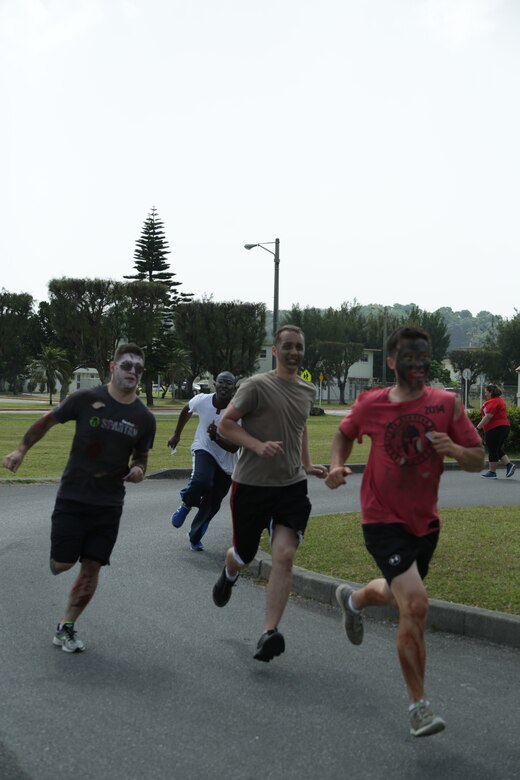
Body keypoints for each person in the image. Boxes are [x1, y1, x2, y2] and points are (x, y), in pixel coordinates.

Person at [325, 326, 484, 737]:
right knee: (414, 604)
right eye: (408, 355)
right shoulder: (371, 404)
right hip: (380, 519)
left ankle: (355, 600)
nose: (417, 362)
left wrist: (456, 450)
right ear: (392, 361)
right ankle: (419, 706)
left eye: (423, 355)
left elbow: (479, 459)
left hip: (424, 523)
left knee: (397, 596)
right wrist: (337, 465)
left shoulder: (447, 404)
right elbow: (343, 435)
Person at [2, 344, 156, 653]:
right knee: (63, 563)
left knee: (92, 567)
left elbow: (141, 457)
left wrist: (139, 470)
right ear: (113, 367)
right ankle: (60, 558)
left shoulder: (143, 418)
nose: (132, 372)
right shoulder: (87, 399)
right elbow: (47, 421)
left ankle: (67, 626)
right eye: (127, 365)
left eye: (138, 368)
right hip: (73, 495)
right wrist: (20, 449)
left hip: (109, 504)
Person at [211, 325, 327, 662]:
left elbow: (300, 427)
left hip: (291, 486)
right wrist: (258, 445)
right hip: (250, 486)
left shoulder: (307, 390)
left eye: (299, 347)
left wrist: (306, 464)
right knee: (245, 555)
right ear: (275, 350)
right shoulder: (256, 386)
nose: (294, 352)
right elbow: (227, 424)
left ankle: (268, 632)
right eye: (287, 346)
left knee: (284, 556)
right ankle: (230, 571)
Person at [167, 372, 239, 551]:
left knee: (212, 505)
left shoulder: (238, 410)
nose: (224, 386)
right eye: (221, 382)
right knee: (201, 480)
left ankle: (195, 537)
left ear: (235, 387)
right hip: (203, 448)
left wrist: (216, 437)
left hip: (227, 461)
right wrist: (177, 434)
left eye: (229, 384)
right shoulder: (202, 400)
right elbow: (187, 410)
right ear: (215, 384)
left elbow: (234, 447)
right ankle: (186, 504)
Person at [476, 384, 516, 479]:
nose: (485, 393)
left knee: (492, 449)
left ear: (491, 392)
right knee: (496, 448)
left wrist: (477, 428)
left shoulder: (495, 401)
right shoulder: (495, 401)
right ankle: (509, 465)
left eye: (486, 391)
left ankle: (492, 472)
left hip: (496, 427)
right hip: (501, 427)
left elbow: (488, 416)